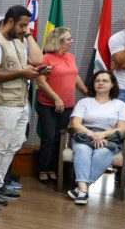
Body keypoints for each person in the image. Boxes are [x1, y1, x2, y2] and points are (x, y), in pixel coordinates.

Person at [0, 5, 45, 200]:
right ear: (10, 21)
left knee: (14, 145)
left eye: (27, 26)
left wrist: (34, 70)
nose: (24, 29)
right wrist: (21, 72)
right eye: (22, 25)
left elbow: (36, 59)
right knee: (0, 146)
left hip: (20, 102)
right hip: (3, 103)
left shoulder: (18, 41)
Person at [67, 70, 125, 205]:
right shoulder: (84, 102)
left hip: (108, 137)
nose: (101, 83)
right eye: (97, 81)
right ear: (93, 84)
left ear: (112, 84)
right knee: (83, 150)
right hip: (84, 135)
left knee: (103, 153)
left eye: (105, 80)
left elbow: (122, 128)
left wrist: (103, 134)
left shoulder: (120, 105)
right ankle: (83, 189)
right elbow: (75, 124)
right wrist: (93, 134)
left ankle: (81, 190)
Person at [36, 27, 88, 183]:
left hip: (67, 105)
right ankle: (43, 169)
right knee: (49, 137)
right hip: (48, 105)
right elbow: (41, 81)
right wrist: (56, 98)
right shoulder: (46, 58)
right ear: (58, 41)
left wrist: (86, 91)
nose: (72, 41)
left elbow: (74, 75)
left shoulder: (70, 57)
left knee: (60, 137)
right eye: (68, 39)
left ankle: (53, 168)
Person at [109, 4, 125, 176]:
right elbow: (123, 62)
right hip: (122, 90)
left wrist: (123, 64)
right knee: (122, 129)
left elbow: (122, 64)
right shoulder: (117, 38)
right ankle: (120, 169)